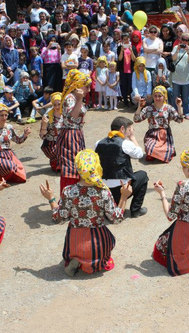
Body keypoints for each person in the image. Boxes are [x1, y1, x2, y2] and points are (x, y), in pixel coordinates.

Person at [39, 149, 132, 277]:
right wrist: (124, 197)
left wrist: (51, 199)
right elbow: (116, 218)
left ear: (78, 169)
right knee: (110, 239)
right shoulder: (103, 192)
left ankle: (77, 258)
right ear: (96, 167)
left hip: (75, 241)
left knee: (73, 236)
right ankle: (97, 260)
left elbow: (58, 218)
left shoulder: (68, 191)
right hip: (98, 243)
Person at [95, 116, 148, 218]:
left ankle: (108, 207)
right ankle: (135, 210)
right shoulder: (126, 144)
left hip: (104, 189)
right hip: (121, 190)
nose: (130, 132)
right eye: (129, 130)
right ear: (122, 129)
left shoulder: (98, 143)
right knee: (143, 175)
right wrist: (132, 137)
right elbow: (140, 154)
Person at [56, 69, 92, 194]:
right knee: (70, 167)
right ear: (78, 85)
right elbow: (73, 117)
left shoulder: (76, 97)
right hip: (70, 136)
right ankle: (68, 197)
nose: (89, 89)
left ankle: (76, 197)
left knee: (77, 165)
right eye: (86, 86)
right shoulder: (71, 98)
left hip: (76, 134)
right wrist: (80, 99)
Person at [134, 86, 184, 163]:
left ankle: (162, 152)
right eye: (155, 96)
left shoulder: (168, 108)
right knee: (150, 148)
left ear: (164, 97)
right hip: (152, 134)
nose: (157, 98)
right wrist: (139, 107)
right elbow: (136, 120)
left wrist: (179, 107)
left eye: (160, 96)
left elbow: (180, 120)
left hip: (165, 135)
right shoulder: (148, 108)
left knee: (165, 151)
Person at [171, 33, 189, 118]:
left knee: (186, 97)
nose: (184, 41)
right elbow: (173, 58)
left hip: (186, 77)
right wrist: (177, 50)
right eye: (183, 39)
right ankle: (175, 112)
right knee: (175, 96)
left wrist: (188, 51)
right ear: (180, 39)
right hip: (176, 77)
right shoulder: (175, 48)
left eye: (187, 40)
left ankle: (187, 112)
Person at [40, 92, 63, 172]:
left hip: (63, 142)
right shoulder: (47, 116)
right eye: (54, 104)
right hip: (51, 144)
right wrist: (44, 126)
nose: (57, 107)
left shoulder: (66, 114)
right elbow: (42, 136)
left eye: (59, 104)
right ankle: (56, 163)